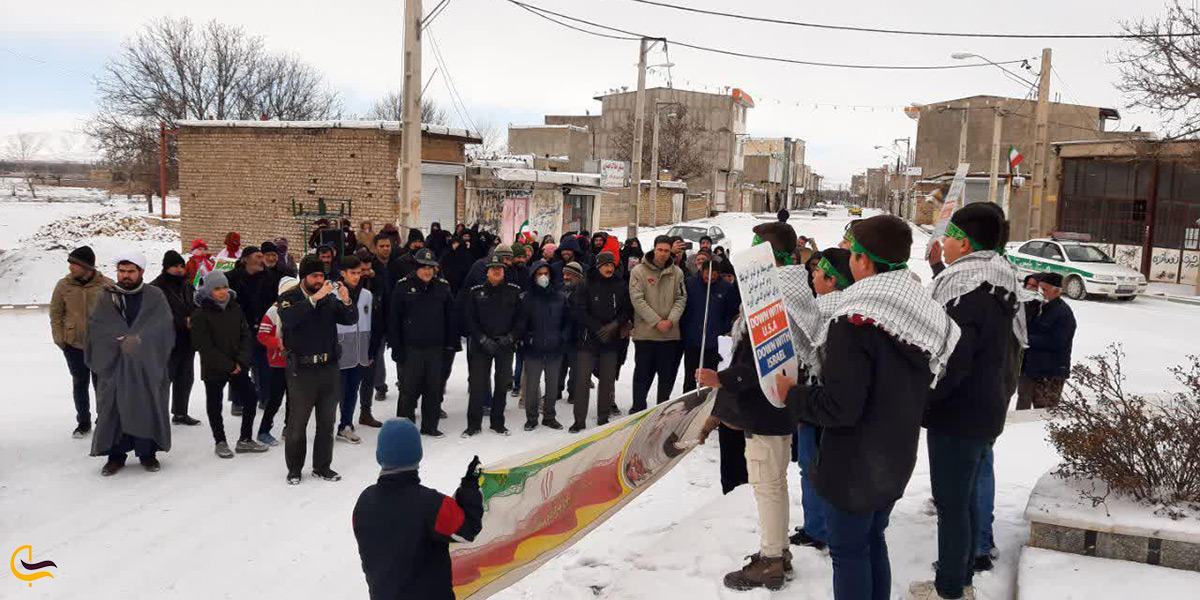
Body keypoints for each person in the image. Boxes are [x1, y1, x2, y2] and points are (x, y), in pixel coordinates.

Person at [775, 215, 960, 600]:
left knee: (849, 552)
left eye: (850, 250)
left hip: (855, 465)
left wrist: (793, 394)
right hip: (895, 455)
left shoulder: (853, 318)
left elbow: (840, 407)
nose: (848, 256)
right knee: (873, 539)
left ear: (863, 260)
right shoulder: (917, 308)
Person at [914, 202, 1021, 600]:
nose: (946, 242)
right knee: (967, 498)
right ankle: (961, 579)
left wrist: (924, 402)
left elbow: (952, 363)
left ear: (963, 242)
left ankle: (950, 588)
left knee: (952, 503)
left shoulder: (968, 291)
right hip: (986, 407)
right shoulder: (999, 279)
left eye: (951, 236)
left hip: (959, 415)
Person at [694, 225, 799, 591]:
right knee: (775, 484)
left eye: (757, 248)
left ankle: (771, 560)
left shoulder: (774, 299)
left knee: (768, 486)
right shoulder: (786, 292)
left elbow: (763, 362)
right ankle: (778, 550)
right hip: (777, 409)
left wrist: (721, 379)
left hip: (766, 410)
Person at [352, 419, 483, 599]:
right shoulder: (432, 505)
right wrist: (469, 488)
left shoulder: (364, 502)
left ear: (378, 456)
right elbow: (467, 530)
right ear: (419, 454)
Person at [789, 247, 855, 551]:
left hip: (817, 399)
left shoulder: (823, 308)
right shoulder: (850, 304)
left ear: (831, 279)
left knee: (812, 464)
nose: (812, 275)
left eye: (817, 271)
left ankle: (819, 529)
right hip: (835, 401)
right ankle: (823, 524)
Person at [87, 250, 176, 476]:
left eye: (130, 271)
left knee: (146, 407)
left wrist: (139, 340)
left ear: (141, 272)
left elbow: (163, 327)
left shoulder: (154, 296)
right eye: (122, 271)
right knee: (114, 411)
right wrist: (116, 339)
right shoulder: (107, 296)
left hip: (146, 367)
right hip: (115, 366)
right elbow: (96, 327)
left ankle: (147, 454)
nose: (125, 275)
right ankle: (115, 457)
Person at [278, 254, 359, 485]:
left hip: (328, 368)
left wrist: (346, 300)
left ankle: (322, 466)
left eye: (322, 276)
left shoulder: (328, 299)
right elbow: (290, 318)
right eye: (315, 275)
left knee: (327, 421)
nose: (319, 280)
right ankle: (294, 469)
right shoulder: (289, 297)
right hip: (302, 371)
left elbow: (350, 319)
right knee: (298, 423)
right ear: (304, 277)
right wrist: (314, 299)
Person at [191, 270, 270, 458]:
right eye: (217, 288)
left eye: (225, 287)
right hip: (214, 368)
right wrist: (228, 365)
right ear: (209, 290)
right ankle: (220, 441)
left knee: (251, 397)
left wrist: (241, 362)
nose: (222, 292)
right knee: (214, 404)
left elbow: (246, 335)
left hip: (238, 366)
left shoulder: (235, 308)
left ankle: (245, 439)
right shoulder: (200, 314)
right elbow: (205, 346)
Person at [390, 249, 457, 437]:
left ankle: (430, 426)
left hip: (436, 349)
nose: (428, 271)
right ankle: (404, 430)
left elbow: (451, 317)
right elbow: (394, 319)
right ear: (416, 267)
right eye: (424, 267)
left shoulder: (443, 287)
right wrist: (396, 347)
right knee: (408, 392)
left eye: (431, 268)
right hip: (411, 350)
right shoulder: (403, 287)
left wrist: (450, 345)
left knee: (433, 390)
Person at [51, 246, 112, 438]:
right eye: (70, 263)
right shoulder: (63, 285)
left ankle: (103, 419)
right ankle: (83, 422)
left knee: (101, 385)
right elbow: (56, 313)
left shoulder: (107, 285)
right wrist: (60, 339)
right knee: (79, 383)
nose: (71, 267)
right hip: (73, 345)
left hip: (100, 346)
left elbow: (117, 315)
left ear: (87, 266)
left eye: (75, 264)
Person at [463, 254, 525, 437]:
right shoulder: (475, 292)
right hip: (482, 346)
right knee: (477, 386)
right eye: (493, 268)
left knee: (501, 386)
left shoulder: (514, 291)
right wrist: (482, 339)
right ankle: (473, 425)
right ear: (487, 272)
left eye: (500, 268)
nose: (497, 271)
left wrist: (511, 337)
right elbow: (469, 319)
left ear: (504, 271)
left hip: (504, 345)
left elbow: (521, 320)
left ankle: (497, 423)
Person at [570, 252, 632, 432]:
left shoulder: (620, 284)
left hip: (611, 341)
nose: (609, 268)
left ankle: (603, 416)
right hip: (588, 339)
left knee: (607, 379)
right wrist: (598, 328)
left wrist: (613, 326)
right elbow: (579, 311)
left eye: (612, 265)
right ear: (598, 265)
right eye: (606, 265)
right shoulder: (586, 283)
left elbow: (626, 310)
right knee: (582, 381)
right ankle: (579, 420)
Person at [629, 235, 688, 412]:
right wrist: (656, 322)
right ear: (654, 249)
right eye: (660, 250)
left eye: (666, 251)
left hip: (669, 335)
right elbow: (637, 299)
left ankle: (662, 409)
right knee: (642, 374)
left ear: (671, 252)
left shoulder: (677, 273)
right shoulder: (639, 271)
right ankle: (638, 407)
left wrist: (670, 320)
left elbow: (681, 298)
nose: (663, 254)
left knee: (666, 376)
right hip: (645, 333)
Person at [335, 255, 385, 444]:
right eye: (352, 273)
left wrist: (371, 350)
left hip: (359, 350)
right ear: (343, 273)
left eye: (359, 273)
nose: (357, 277)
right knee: (337, 392)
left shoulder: (367, 295)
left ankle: (346, 424)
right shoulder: (332, 294)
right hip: (339, 350)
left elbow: (372, 323)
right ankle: (329, 425)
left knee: (352, 389)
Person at [150, 250, 201, 426]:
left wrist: (195, 318)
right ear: (166, 268)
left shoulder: (187, 284)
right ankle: (157, 415)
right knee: (164, 380)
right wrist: (181, 322)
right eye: (174, 266)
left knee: (185, 378)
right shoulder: (155, 288)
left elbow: (195, 305)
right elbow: (154, 317)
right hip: (166, 343)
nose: (179, 270)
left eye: (181, 266)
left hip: (187, 341)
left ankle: (180, 412)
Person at [226, 246, 279, 416]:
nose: (262, 259)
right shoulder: (231, 278)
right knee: (239, 365)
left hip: (261, 328)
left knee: (263, 364)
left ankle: (265, 397)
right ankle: (237, 400)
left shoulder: (269, 278)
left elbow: (274, 301)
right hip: (238, 329)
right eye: (258, 256)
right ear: (246, 259)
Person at [520, 262, 570, 431]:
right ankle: (531, 418)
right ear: (534, 276)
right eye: (539, 273)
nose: (543, 277)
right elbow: (520, 323)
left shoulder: (560, 297)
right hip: (533, 350)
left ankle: (549, 416)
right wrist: (528, 339)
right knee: (532, 386)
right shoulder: (527, 298)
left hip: (555, 349)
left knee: (552, 385)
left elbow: (568, 321)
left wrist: (562, 338)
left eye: (546, 273)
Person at [680, 250, 738, 393]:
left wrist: (721, 329)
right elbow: (683, 308)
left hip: (713, 342)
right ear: (702, 271)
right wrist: (686, 328)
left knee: (709, 376)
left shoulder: (726, 288)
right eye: (707, 275)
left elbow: (731, 313)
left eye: (713, 275)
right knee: (690, 377)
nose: (709, 278)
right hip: (693, 340)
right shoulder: (690, 284)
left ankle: (708, 404)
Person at [1017, 272, 1075, 410]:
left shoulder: (1063, 313)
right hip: (1030, 368)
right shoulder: (1038, 307)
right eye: (1039, 288)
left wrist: (1025, 339)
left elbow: (1056, 341)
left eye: (1044, 289)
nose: (1040, 292)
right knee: (1022, 409)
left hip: (1050, 373)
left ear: (1057, 291)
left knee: (1044, 413)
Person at [255, 276, 298, 447]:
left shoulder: (299, 309)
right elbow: (262, 335)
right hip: (277, 362)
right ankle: (264, 430)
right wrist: (278, 343)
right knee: (275, 398)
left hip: (295, 361)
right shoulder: (273, 311)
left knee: (294, 398)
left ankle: (289, 428)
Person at [366, 235, 395, 402]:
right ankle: (380, 386)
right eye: (382, 246)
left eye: (388, 246)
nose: (385, 249)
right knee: (377, 353)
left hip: (396, 314)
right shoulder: (370, 266)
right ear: (375, 248)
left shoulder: (396, 264)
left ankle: (405, 382)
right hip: (377, 317)